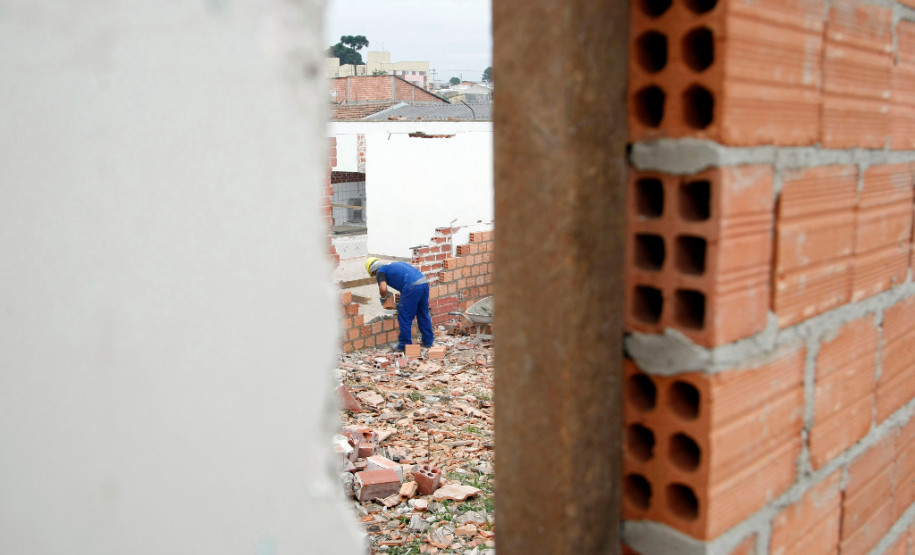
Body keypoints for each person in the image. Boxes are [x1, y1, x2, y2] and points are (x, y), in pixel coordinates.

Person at [365, 257, 435, 351]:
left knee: (404, 317)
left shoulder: (380, 272)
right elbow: (404, 278)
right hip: (424, 283)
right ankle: (428, 342)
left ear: (373, 271)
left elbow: (383, 288)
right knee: (423, 314)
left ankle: (405, 346)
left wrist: (384, 297)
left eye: (374, 275)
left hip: (412, 287)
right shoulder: (394, 265)